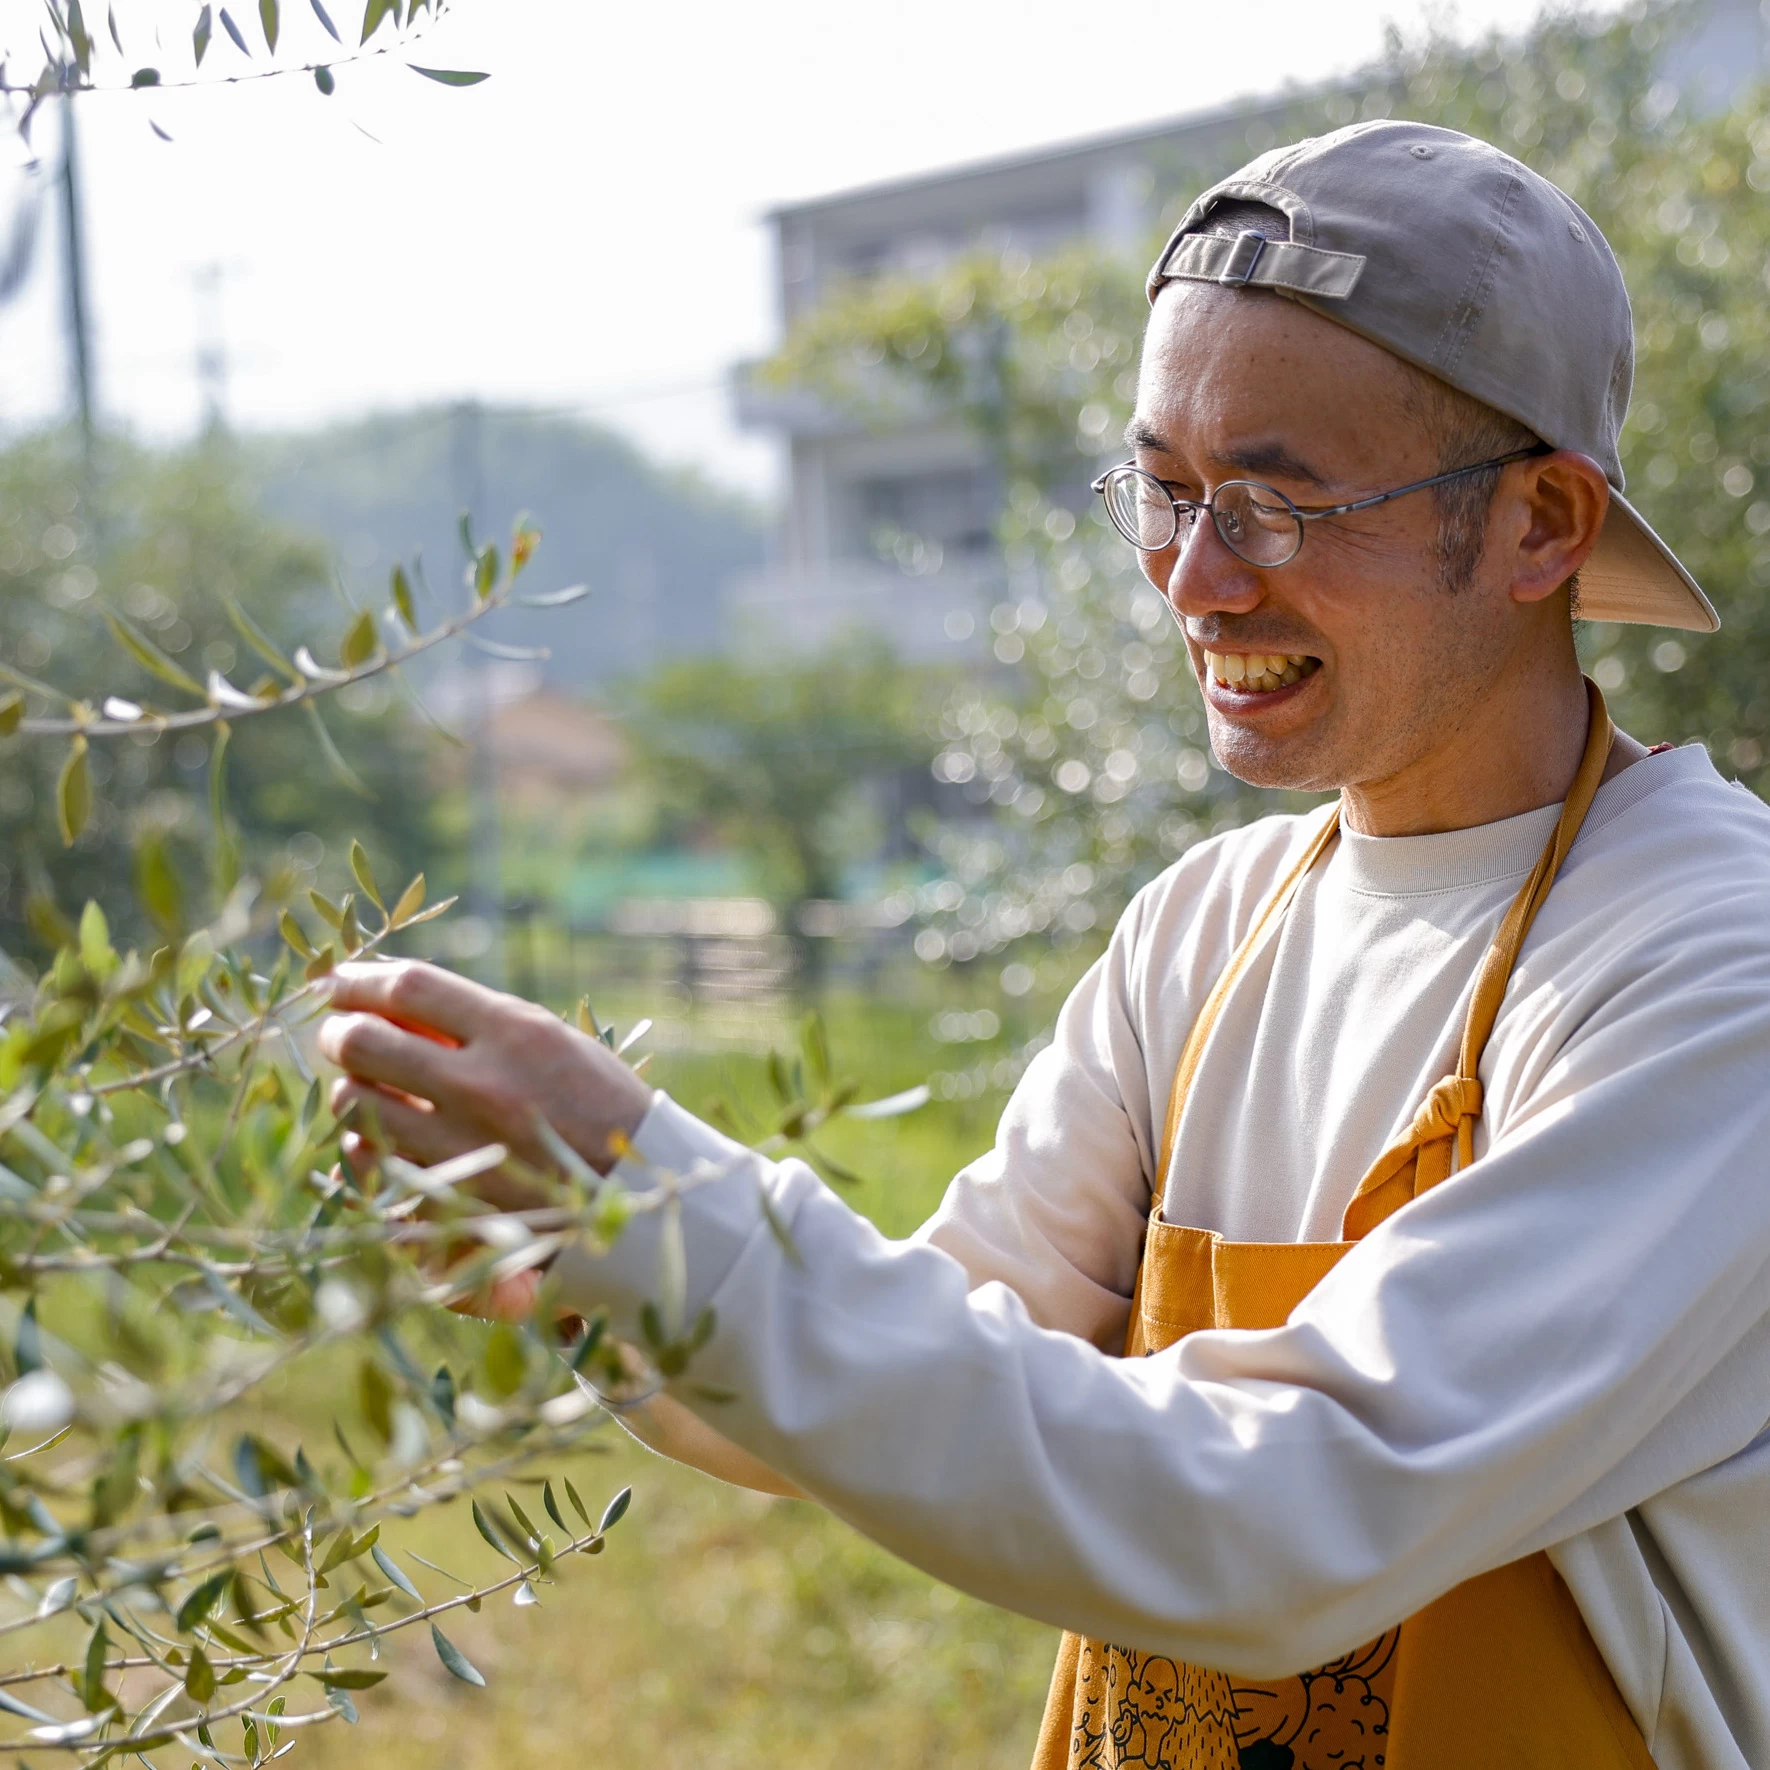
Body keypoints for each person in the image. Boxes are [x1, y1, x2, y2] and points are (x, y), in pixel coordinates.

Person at [318, 122, 1770, 1769]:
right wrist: (583, 1262)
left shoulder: (1706, 965)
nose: (1193, 580)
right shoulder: (1208, 929)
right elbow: (922, 1366)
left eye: (1279, 505)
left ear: (1539, 526)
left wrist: (670, 1199)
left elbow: (1287, 1511)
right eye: (1162, 489)